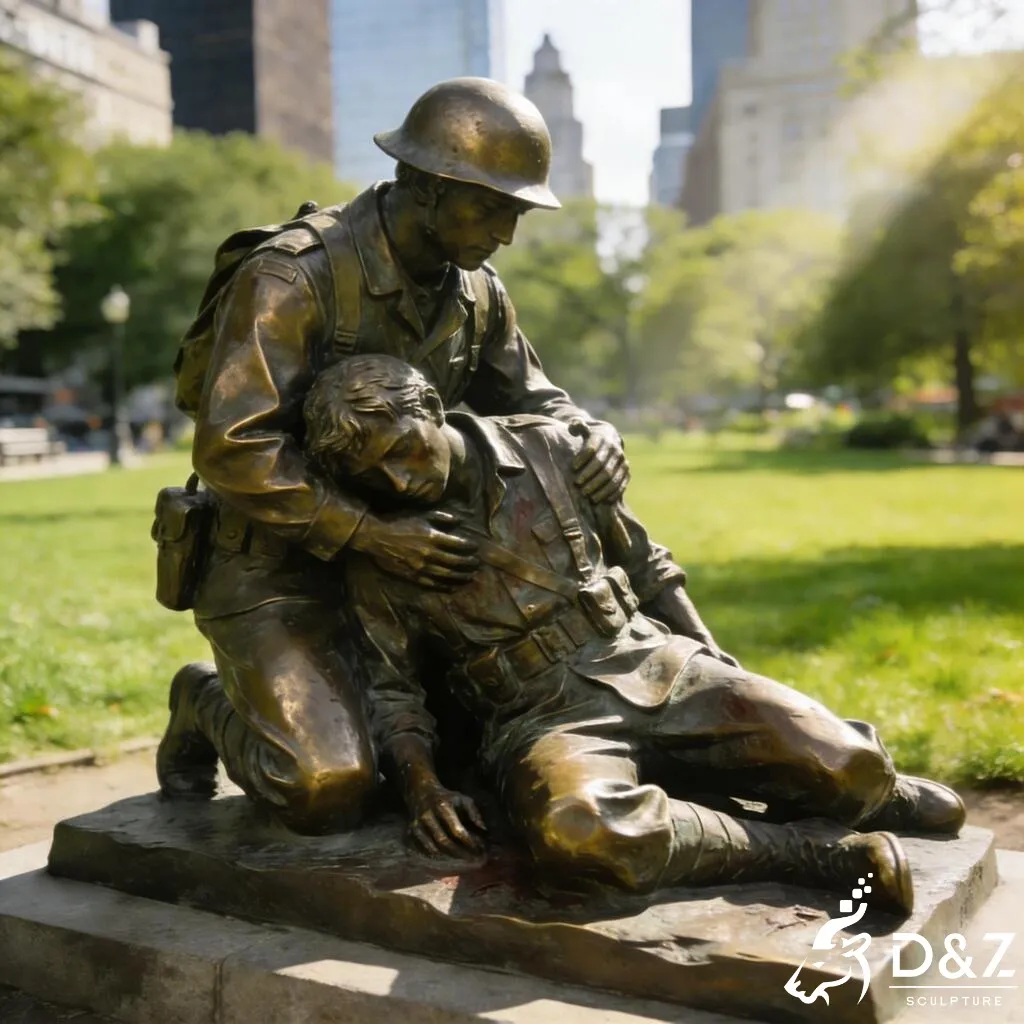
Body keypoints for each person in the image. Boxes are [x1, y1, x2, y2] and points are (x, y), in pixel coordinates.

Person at [301, 355, 966, 915]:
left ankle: (876, 790)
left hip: (653, 661)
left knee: (847, 767)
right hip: (540, 720)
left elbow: (647, 563)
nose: (397, 479)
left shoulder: (549, 447)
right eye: (373, 474)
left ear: (430, 409)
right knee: (584, 835)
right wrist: (424, 790)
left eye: (401, 450)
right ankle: (810, 854)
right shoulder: (383, 549)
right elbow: (393, 693)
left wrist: (714, 657)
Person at [156, 78, 629, 835]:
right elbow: (234, 445)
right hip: (277, 562)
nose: (506, 234)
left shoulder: (478, 291)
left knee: (502, 760)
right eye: (492, 208)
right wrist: (368, 534)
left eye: (515, 213)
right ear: (428, 186)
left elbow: (536, 399)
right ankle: (203, 700)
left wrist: (590, 432)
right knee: (328, 786)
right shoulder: (293, 275)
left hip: (420, 575)